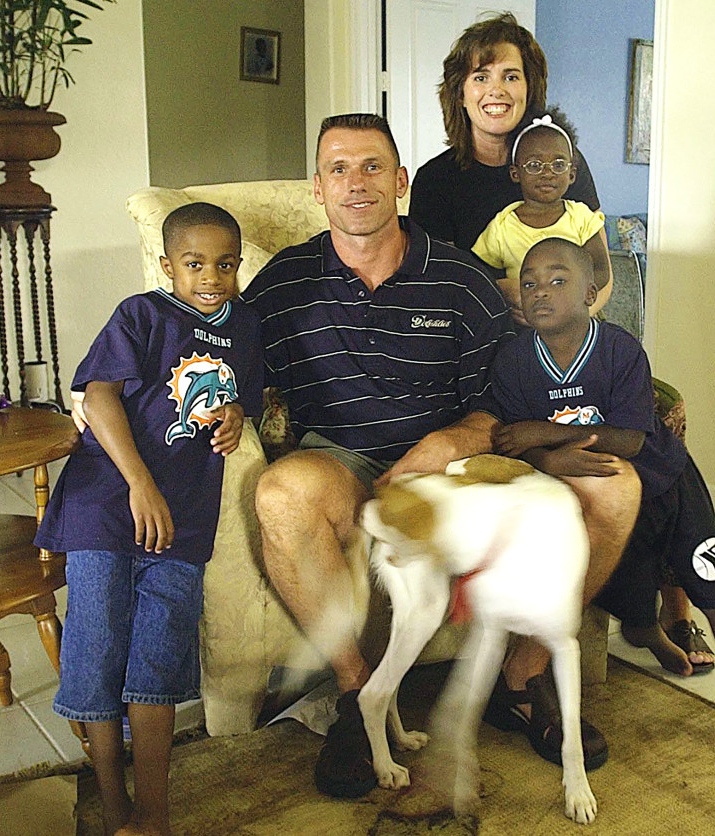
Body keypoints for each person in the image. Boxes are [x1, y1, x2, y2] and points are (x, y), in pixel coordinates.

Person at [240, 113, 640, 798]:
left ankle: (523, 677)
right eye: (338, 168)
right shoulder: (283, 283)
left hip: (458, 473)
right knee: (282, 492)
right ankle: (354, 695)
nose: (356, 183)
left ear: (399, 181)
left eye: (372, 167)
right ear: (318, 188)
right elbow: (219, 356)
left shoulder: (458, 279)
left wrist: (453, 440)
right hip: (342, 463)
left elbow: (506, 395)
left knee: (617, 487)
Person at [486, 237, 715, 765]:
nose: (540, 292)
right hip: (614, 504)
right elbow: (510, 444)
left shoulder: (620, 350)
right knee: (632, 605)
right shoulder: (511, 363)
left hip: (668, 487)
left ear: (591, 293)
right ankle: (655, 641)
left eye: (558, 280)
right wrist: (547, 460)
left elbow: (632, 439)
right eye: (529, 283)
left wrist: (543, 432)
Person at [36, 203, 263, 835]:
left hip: (184, 518)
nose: (211, 276)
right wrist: (140, 483)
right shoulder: (143, 314)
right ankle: (113, 803)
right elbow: (98, 394)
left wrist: (237, 414)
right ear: (168, 266)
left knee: (158, 657)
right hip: (107, 504)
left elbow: (245, 393)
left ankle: (154, 812)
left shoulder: (245, 326)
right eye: (194, 264)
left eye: (225, 264)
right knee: (98, 646)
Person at [409, 12, 601, 253]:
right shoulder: (435, 181)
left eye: (510, 77)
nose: (496, 90)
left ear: (529, 89)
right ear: (461, 95)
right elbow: (437, 281)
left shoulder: (562, 161)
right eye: (481, 77)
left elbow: (600, 275)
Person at [472, 109, 613, 324]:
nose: (548, 173)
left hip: (579, 323)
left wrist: (573, 301)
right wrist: (510, 293)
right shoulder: (502, 225)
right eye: (534, 166)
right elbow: (482, 275)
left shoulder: (581, 218)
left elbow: (601, 270)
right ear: (515, 173)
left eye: (558, 165)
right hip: (522, 327)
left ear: (572, 174)